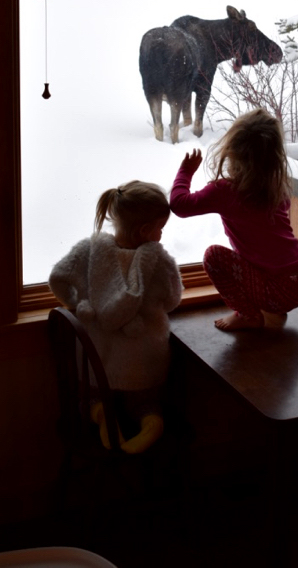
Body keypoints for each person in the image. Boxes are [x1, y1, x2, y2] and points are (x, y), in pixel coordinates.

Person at [49, 181, 183, 453]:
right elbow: (172, 300)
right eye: (160, 228)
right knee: (145, 401)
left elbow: (57, 278)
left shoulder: (88, 250)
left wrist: (77, 303)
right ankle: (151, 421)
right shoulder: (159, 260)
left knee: (91, 398)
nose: (160, 234)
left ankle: (101, 416)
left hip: (96, 358)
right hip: (143, 361)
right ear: (146, 230)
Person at [170, 108, 298, 331]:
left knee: (213, 257)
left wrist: (185, 172)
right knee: (251, 254)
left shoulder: (225, 191)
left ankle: (248, 315)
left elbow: (180, 205)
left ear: (232, 152)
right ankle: (271, 311)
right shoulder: (276, 186)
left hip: (278, 290)